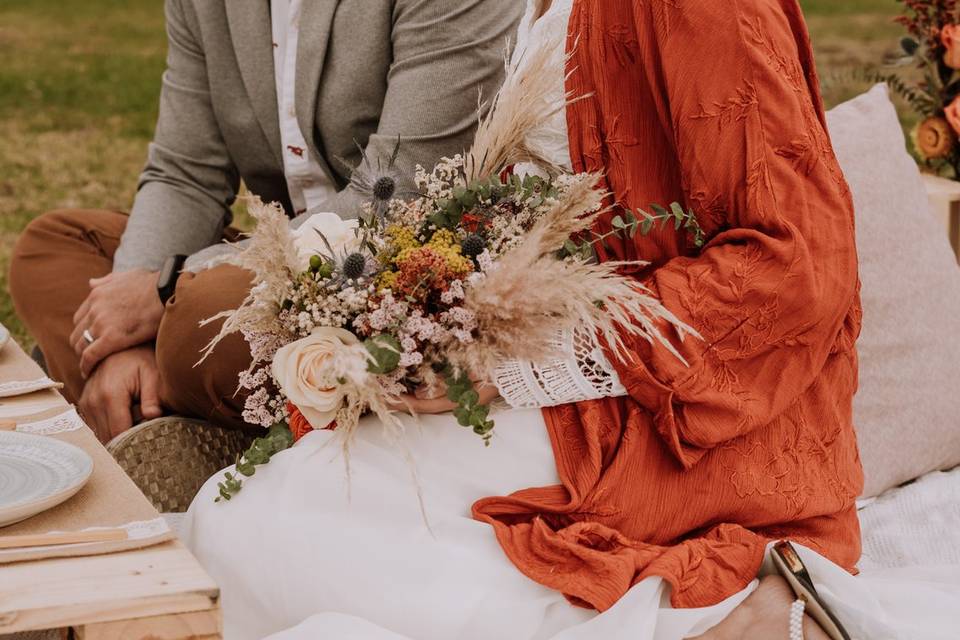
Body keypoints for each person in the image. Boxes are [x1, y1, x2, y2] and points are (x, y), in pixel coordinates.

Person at [182, 1, 960, 639]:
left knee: (256, 533)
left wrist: (514, 365)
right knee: (239, 519)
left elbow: (800, 267)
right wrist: (432, 311)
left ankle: (721, 615)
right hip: (562, 385)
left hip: (682, 421)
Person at [8, 0, 523, 443]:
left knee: (197, 322)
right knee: (52, 249)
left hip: (403, 276)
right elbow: (185, 174)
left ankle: (160, 414)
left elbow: (400, 196)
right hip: (274, 267)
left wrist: (165, 290)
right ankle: (155, 410)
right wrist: (121, 331)